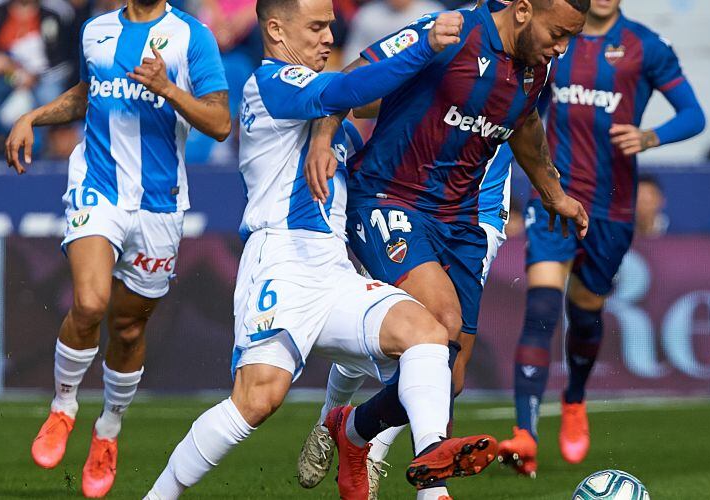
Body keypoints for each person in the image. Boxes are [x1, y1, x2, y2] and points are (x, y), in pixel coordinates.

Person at [142, 3, 499, 500]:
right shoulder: (271, 83)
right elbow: (345, 89)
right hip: (281, 262)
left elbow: (351, 107)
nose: (329, 37)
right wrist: (427, 44)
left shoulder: (323, 115)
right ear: (274, 29)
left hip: (332, 269)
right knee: (257, 400)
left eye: (331, 25)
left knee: (428, 335)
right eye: (315, 27)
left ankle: (431, 480)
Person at [298, 0, 591, 495]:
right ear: (522, 10)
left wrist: (554, 194)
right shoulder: (452, 32)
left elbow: (523, 126)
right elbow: (357, 74)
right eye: (558, 33)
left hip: (459, 222)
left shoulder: (536, 69)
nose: (561, 47)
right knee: (442, 323)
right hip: (390, 197)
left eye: (569, 39)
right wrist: (323, 139)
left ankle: (351, 429)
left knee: (448, 376)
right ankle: (433, 488)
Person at [3, 0, 231, 497]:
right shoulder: (95, 31)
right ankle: (63, 406)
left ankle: (108, 429)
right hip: (98, 185)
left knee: (128, 328)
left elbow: (219, 121)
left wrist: (169, 89)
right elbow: (89, 94)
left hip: (158, 203)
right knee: (89, 302)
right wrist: (34, 116)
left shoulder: (192, 37)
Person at [496, 0, 705, 476]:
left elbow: (694, 115)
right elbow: (526, 113)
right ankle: (525, 434)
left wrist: (652, 136)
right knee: (542, 308)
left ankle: (574, 399)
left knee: (586, 312)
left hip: (613, 208)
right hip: (556, 196)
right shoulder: (553, 39)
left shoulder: (645, 46)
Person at [0, 0, 76, 156]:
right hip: (2, 80)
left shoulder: (58, 10)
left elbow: (71, 60)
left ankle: (37, 148)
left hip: (44, 81)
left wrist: (36, 76)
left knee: (51, 95)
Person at [634, 173, 667, 238]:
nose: (642, 201)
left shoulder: (678, 233)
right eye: (638, 195)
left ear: (661, 200)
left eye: (648, 196)